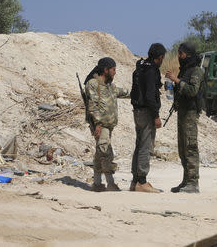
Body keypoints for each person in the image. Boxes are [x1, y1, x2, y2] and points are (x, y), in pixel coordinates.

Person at [84, 57, 129, 192]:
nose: (115, 72)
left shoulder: (110, 86)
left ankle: (97, 183)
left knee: (100, 151)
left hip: (109, 126)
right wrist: (97, 124)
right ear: (106, 70)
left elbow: (124, 92)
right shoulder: (93, 84)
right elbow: (92, 106)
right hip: (100, 125)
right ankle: (110, 183)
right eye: (113, 69)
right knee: (106, 150)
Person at [165, 42, 204, 194]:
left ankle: (193, 183)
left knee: (190, 147)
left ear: (188, 55)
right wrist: (171, 86)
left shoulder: (197, 71)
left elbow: (193, 91)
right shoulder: (185, 71)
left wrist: (176, 80)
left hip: (190, 113)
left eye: (180, 54)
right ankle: (186, 180)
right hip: (182, 112)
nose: (178, 57)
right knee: (182, 149)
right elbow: (181, 89)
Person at [130, 43, 166, 193]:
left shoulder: (141, 66)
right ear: (159, 57)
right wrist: (156, 116)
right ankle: (142, 182)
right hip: (146, 112)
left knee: (139, 145)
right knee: (146, 146)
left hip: (137, 110)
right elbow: (150, 96)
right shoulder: (151, 70)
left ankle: (135, 181)